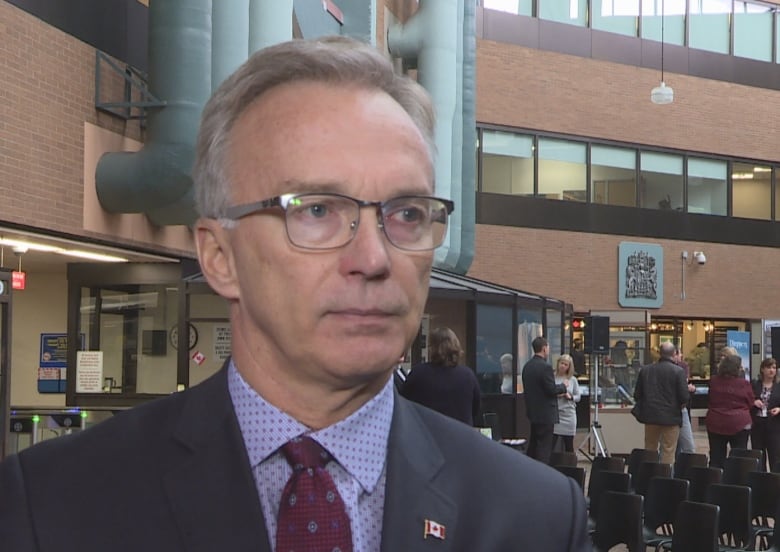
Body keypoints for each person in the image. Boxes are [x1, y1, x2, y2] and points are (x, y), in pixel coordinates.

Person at [0, 37, 589, 551]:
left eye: (406, 213)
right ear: (219, 257)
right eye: (315, 210)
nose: (374, 258)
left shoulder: (535, 517)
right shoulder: (52, 503)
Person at [401, 327, 481, 426]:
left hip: (426, 435)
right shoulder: (468, 376)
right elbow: (476, 409)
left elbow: (403, 404)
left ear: (432, 348)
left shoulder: (418, 374)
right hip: (460, 436)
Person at [633, 341, 690, 465]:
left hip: (650, 416)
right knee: (668, 451)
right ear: (674, 353)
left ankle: (649, 475)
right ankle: (665, 478)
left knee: (650, 449)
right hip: (671, 418)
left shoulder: (646, 370)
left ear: (659, 353)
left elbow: (637, 394)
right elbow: (684, 397)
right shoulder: (678, 371)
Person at [522, 336, 567, 464]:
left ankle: (530, 468)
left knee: (534, 444)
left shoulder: (527, 366)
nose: (548, 350)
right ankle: (543, 471)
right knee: (544, 447)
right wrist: (563, 386)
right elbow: (551, 389)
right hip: (546, 413)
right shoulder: (545, 367)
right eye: (547, 348)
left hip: (533, 412)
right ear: (544, 348)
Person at [705, 353, 754, 468]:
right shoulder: (744, 384)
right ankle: (736, 482)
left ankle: (715, 481)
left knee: (716, 457)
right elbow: (750, 402)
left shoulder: (714, 381)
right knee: (739, 457)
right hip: (739, 423)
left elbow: (710, 398)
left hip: (715, 422)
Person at [750, 357, 780, 471]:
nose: (772, 370)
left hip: (774, 425)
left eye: (774, 368)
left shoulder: (778, 386)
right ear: (762, 369)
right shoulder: (755, 384)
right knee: (758, 455)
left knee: (775, 456)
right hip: (757, 424)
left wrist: (779, 409)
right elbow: (747, 399)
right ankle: (761, 481)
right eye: (769, 367)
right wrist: (753, 402)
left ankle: (775, 482)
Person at [553, 354, 581, 453]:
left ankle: (570, 465)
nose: (563, 366)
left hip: (569, 414)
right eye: (562, 363)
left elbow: (578, 397)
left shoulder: (572, 379)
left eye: (566, 364)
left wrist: (571, 397)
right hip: (556, 413)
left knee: (569, 444)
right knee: (552, 443)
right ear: (558, 363)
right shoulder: (552, 377)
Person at [674, 347, 697, 460]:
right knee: (687, 446)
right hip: (679, 410)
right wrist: (686, 389)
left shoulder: (683, 366)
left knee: (671, 446)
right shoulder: (680, 369)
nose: (682, 355)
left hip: (667, 411)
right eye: (679, 353)